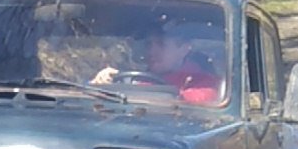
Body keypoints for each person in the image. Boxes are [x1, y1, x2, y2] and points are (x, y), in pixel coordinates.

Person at [91, 25, 223, 103]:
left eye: (161, 44)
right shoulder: (133, 77)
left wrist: (123, 91)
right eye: (149, 44)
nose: (152, 51)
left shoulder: (204, 83)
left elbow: (181, 103)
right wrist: (101, 84)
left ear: (183, 49)